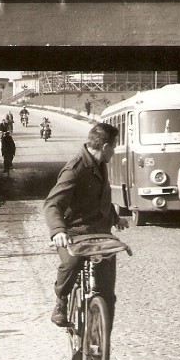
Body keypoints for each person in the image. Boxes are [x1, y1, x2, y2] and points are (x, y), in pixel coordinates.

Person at [44, 123, 129, 327]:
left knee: (108, 295)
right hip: (73, 234)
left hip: (100, 234)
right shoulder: (74, 170)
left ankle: (101, 348)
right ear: (106, 146)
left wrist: (115, 218)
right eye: (114, 146)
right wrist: (58, 231)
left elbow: (98, 198)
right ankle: (61, 301)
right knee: (72, 263)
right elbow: (52, 203)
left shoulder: (100, 164)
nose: (115, 151)